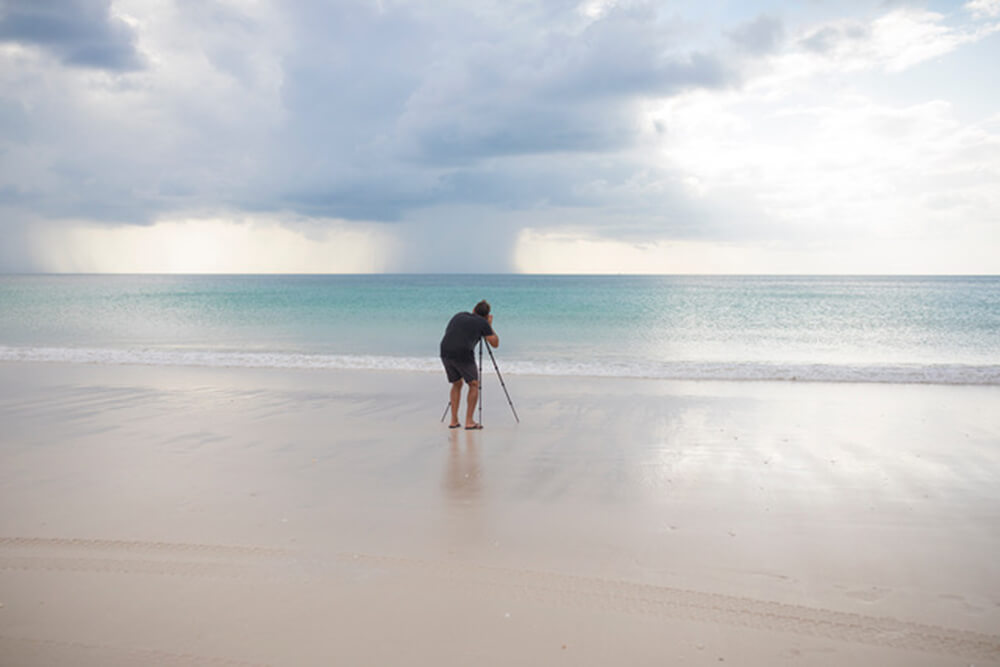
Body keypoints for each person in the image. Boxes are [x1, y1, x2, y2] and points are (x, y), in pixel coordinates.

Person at [440, 300, 499, 430]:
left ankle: (454, 420)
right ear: (487, 315)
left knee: (457, 383)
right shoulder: (483, 322)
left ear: (473, 310)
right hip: (463, 353)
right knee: (473, 384)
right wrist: (489, 325)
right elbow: (495, 343)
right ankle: (469, 421)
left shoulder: (459, 315)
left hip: (445, 350)